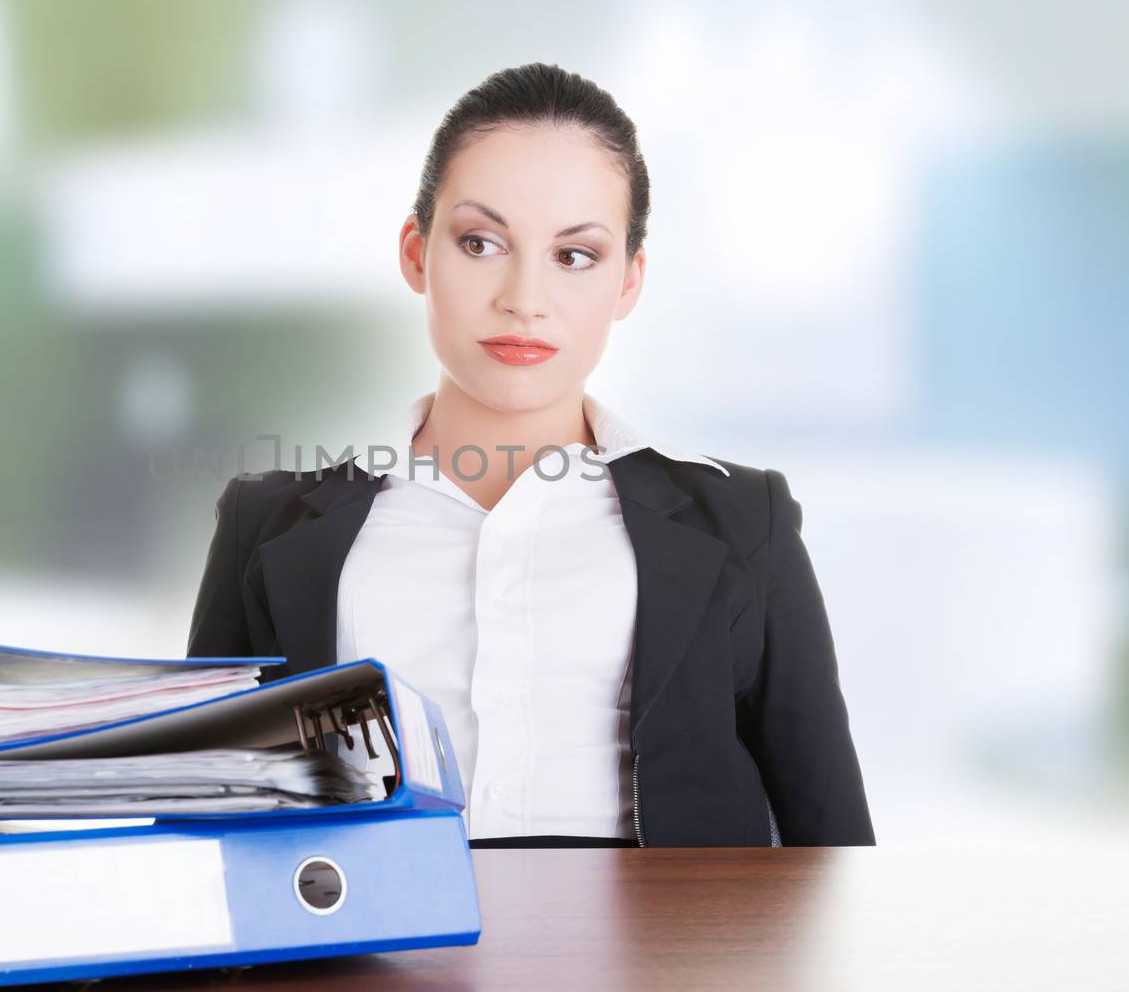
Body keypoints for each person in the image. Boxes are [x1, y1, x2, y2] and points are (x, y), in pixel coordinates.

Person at [187, 62, 875, 848]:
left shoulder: (742, 523)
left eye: (575, 255)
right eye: (480, 242)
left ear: (629, 281)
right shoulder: (267, 525)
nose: (524, 298)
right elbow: (206, 828)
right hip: (373, 960)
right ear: (416, 253)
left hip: (670, 964)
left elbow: (835, 853)